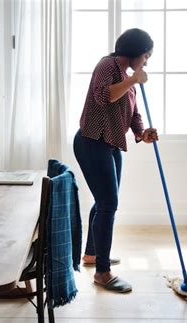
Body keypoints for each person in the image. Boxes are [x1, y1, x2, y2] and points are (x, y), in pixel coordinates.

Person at [73, 28, 158, 293]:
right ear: (134, 52)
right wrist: (134, 81)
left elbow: (131, 112)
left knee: (104, 202)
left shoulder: (125, 75)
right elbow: (103, 96)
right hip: (92, 141)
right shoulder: (107, 65)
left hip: (110, 144)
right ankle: (102, 272)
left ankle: (92, 254)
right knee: (109, 204)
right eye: (145, 56)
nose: (146, 62)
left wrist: (142, 132)